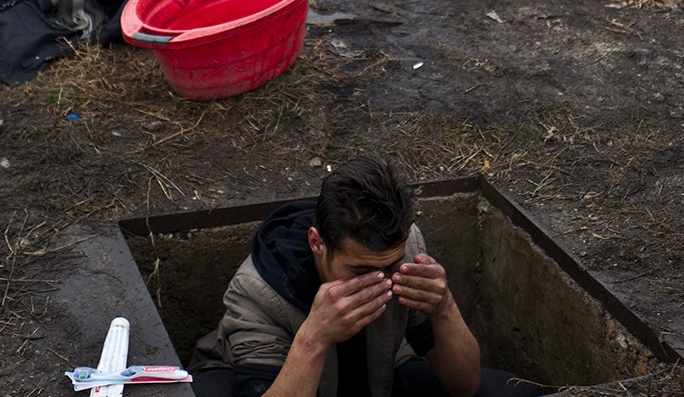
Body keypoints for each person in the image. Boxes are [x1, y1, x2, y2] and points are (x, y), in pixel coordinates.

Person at [191, 157, 538, 397]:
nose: (382, 281)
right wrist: (313, 338)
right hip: (256, 381)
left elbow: (464, 386)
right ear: (317, 243)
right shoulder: (258, 291)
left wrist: (443, 308)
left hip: (378, 378)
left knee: (514, 390)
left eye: (390, 266)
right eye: (360, 271)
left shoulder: (405, 252)